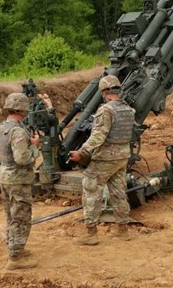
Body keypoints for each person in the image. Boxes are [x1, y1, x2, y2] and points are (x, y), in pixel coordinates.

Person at [69, 75, 135, 245]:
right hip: (122, 156)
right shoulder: (128, 109)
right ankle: (123, 230)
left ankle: (91, 234)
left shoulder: (106, 110)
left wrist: (81, 152)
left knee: (91, 189)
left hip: (105, 158)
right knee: (118, 191)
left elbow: (98, 135)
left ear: (105, 91)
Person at [0, 93, 41, 270]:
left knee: (11, 216)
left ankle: (15, 247)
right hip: (17, 179)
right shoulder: (18, 130)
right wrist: (35, 148)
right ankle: (15, 258)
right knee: (21, 217)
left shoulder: (2, 127)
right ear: (22, 109)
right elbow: (22, 158)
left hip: (5, 176)